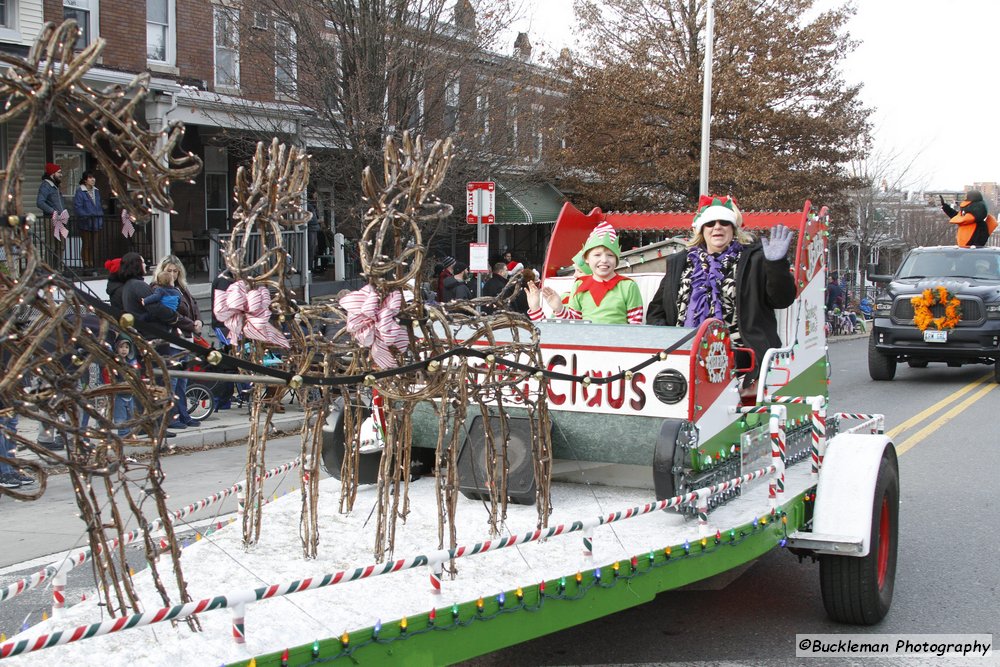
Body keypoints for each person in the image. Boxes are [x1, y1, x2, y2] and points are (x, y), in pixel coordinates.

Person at [646, 195, 797, 391]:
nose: (717, 227)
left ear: (733, 228)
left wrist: (776, 265)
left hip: (740, 351)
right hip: (685, 350)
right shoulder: (679, 263)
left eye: (724, 222)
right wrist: (668, 342)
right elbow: (656, 312)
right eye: (710, 223)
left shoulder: (755, 259)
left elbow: (782, 299)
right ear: (702, 230)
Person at [527, 221, 643, 324]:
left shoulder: (628, 286)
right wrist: (559, 309)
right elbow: (574, 324)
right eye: (597, 255)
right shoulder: (579, 285)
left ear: (617, 260)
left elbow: (636, 325)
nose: (604, 260)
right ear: (587, 258)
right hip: (585, 345)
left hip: (617, 345)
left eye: (610, 255)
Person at [155, 255, 204, 427]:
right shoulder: (159, 288)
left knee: (183, 380)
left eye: (176, 271)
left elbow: (194, 306)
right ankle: (171, 417)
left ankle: (184, 414)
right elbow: (170, 314)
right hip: (173, 339)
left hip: (186, 338)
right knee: (173, 380)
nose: (173, 274)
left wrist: (198, 321)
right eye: (169, 271)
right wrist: (192, 325)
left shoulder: (182, 288)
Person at [73, 170, 104, 273]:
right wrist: (86, 216)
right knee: (86, 244)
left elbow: (99, 206)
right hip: (85, 222)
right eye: (90, 178)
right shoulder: (80, 192)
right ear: (85, 180)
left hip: (96, 222)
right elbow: (78, 207)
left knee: (94, 244)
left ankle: (93, 264)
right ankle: (86, 265)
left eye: (93, 178)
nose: (93, 179)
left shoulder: (96, 191)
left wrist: (100, 217)